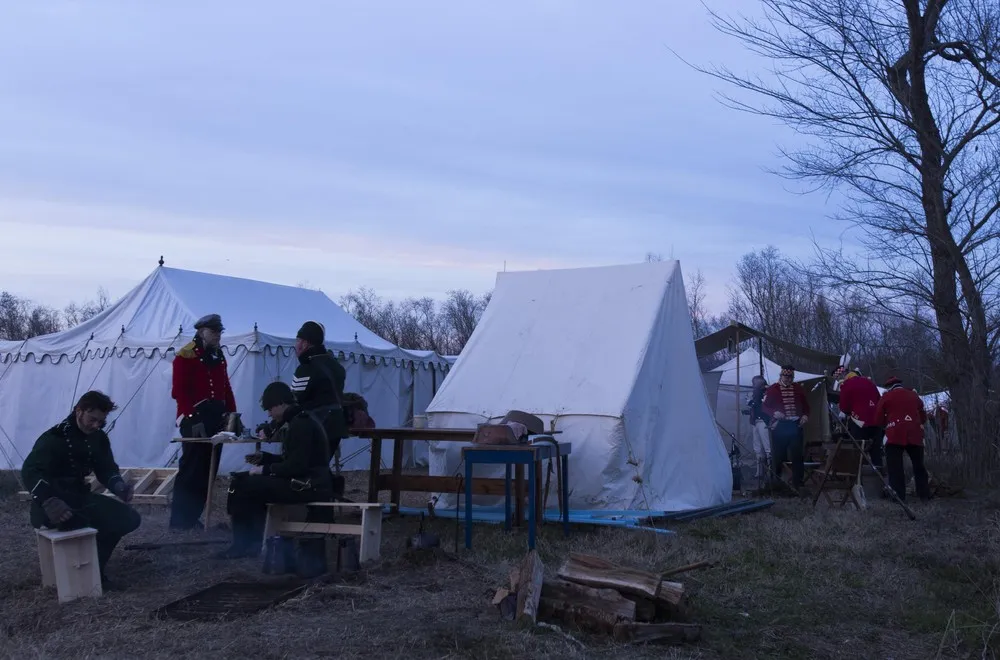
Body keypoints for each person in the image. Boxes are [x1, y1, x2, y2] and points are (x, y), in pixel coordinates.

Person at [21, 391, 141, 590]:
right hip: (52, 504)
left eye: (101, 422)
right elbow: (30, 471)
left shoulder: (98, 437)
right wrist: (49, 501)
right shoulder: (54, 437)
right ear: (79, 411)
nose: (95, 425)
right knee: (80, 521)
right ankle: (85, 575)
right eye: (92, 419)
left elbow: (106, 468)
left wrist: (119, 487)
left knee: (128, 518)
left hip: (79, 497)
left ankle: (96, 569)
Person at [217, 381, 333, 558]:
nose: (270, 414)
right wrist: (266, 458)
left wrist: (265, 469)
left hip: (308, 485)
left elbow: (297, 466)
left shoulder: (300, 424)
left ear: (280, 403)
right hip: (308, 481)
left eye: (270, 409)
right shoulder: (300, 419)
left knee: (243, 485)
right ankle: (251, 540)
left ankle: (244, 544)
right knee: (244, 482)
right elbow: (295, 460)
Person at [169, 313, 238, 531]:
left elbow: (225, 387)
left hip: (216, 417)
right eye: (214, 332)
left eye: (219, 332)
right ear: (201, 332)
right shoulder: (186, 355)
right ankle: (180, 520)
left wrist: (232, 414)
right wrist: (191, 417)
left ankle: (194, 517)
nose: (218, 336)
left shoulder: (218, 355)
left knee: (209, 469)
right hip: (195, 417)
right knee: (191, 469)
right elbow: (179, 391)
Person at [292, 320, 349, 495]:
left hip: (316, 427)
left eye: (297, 340)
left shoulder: (306, 369)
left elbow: (295, 403)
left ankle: (316, 506)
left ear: (305, 343)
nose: (295, 345)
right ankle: (327, 502)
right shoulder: (337, 367)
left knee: (308, 468)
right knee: (322, 466)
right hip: (336, 425)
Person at [874, 376, 930, 502]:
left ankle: (898, 496)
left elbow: (878, 419)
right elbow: (922, 414)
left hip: (895, 434)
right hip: (915, 433)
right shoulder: (914, 396)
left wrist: (886, 424)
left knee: (895, 468)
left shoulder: (886, 397)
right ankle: (924, 494)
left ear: (889, 387)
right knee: (919, 466)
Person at [762, 365, 810, 492]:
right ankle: (776, 482)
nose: (788, 379)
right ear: (781, 375)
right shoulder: (773, 389)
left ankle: (798, 483)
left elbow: (806, 407)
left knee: (797, 455)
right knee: (779, 455)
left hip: (795, 425)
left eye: (790, 377)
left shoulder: (798, 389)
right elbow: (764, 407)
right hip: (780, 426)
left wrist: (805, 415)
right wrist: (774, 413)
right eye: (786, 376)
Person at [837, 366, 885, 469]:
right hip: (876, 421)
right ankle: (878, 478)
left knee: (859, 451)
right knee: (876, 451)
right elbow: (879, 400)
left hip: (859, 422)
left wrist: (849, 412)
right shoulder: (870, 383)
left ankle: (860, 478)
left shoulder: (847, 384)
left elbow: (844, 407)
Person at [744, 375, 771, 480]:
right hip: (756, 422)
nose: (753, 385)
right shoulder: (755, 393)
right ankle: (759, 472)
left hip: (763, 422)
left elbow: (762, 406)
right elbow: (755, 407)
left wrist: (751, 403)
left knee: (767, 448)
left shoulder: (767, 391)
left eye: (754, 383)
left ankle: (770, 471)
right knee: (757, 448)